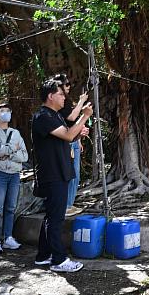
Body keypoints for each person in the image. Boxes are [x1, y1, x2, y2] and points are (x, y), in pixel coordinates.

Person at [31, 79, 92, 272]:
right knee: (56, 218)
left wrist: (79, 133)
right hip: (52, 173)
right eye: (60, 94)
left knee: (52, 215)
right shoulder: (43, 116)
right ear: (50, 96)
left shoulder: (54, 115)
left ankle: (43, 255)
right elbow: (66, 135)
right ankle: (59, 260)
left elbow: (67, 135)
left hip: (59, 171)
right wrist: (84, 117)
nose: (64, 98)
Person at [0, 103, 28, 254]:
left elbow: (24, 155)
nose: (5, 113)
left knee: (10, 207)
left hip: (14, 174)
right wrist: (12, 149)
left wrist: (7, 152)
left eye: (8, 111)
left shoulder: (16, 133)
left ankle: (8, 237)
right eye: (2, 111)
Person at [52, 74, 88, 214]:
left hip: (73, 141)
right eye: (66, 84)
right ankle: (65, 205)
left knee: (76, 174)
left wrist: (78, 139)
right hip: (65, 143)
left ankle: (69, 204)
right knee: (68, 174)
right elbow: (71, 117)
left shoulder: (67, 101)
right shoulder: (61, 104)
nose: (69, 87)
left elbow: (72, 123)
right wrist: (81, 102)